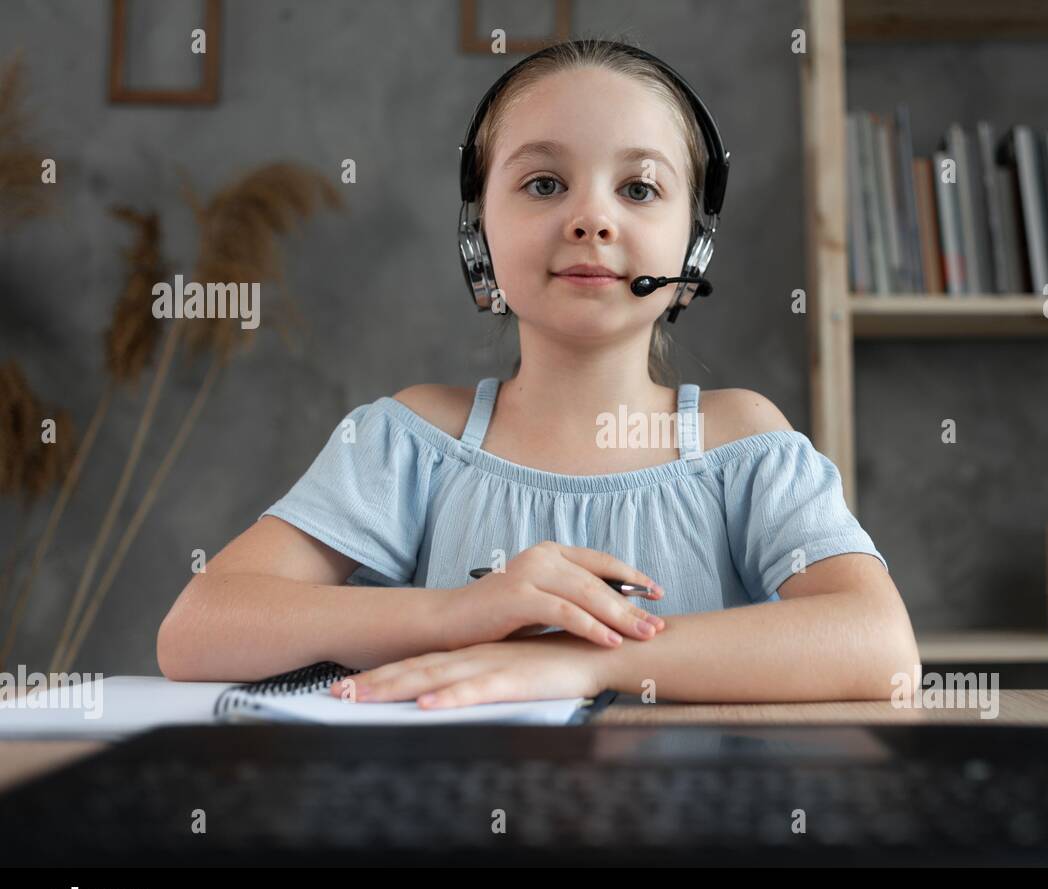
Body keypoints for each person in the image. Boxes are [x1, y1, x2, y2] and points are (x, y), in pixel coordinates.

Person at [156, 37, 917, 706]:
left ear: (695, 247)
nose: (592, 218)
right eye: (544, 184)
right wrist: (456, 616)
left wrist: (579, 665)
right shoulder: (410, 439)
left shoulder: (740, 442)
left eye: (640, 188)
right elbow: (198, 629)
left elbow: (880, 647)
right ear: (478, 232)